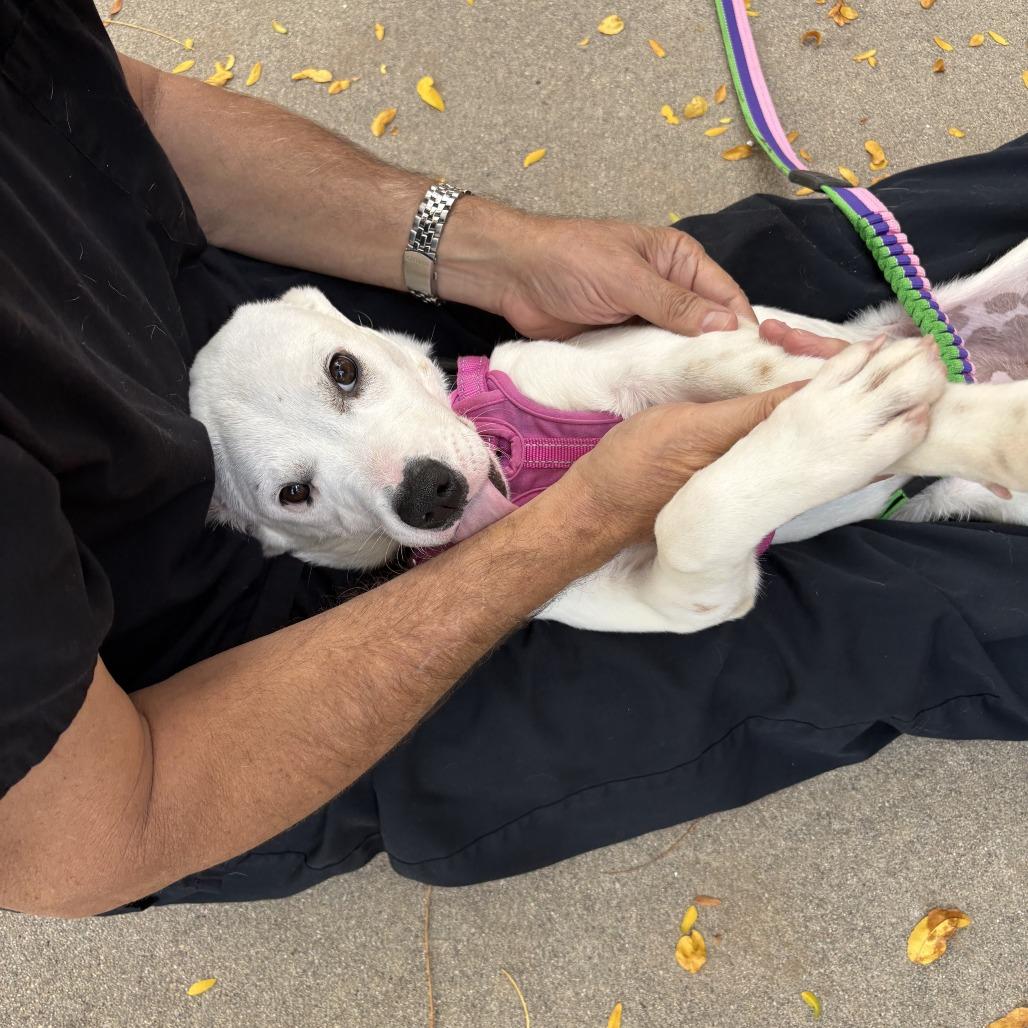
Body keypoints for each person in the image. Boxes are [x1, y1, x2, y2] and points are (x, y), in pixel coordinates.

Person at [2, 0, 1027, 918]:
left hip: (303, 353)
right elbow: (87, 840)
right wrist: (594, 511)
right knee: (888, 616)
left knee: (796, 260)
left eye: (347, 381)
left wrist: (497, 247)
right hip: (195, 721)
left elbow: (126, 113)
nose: (408, 471)